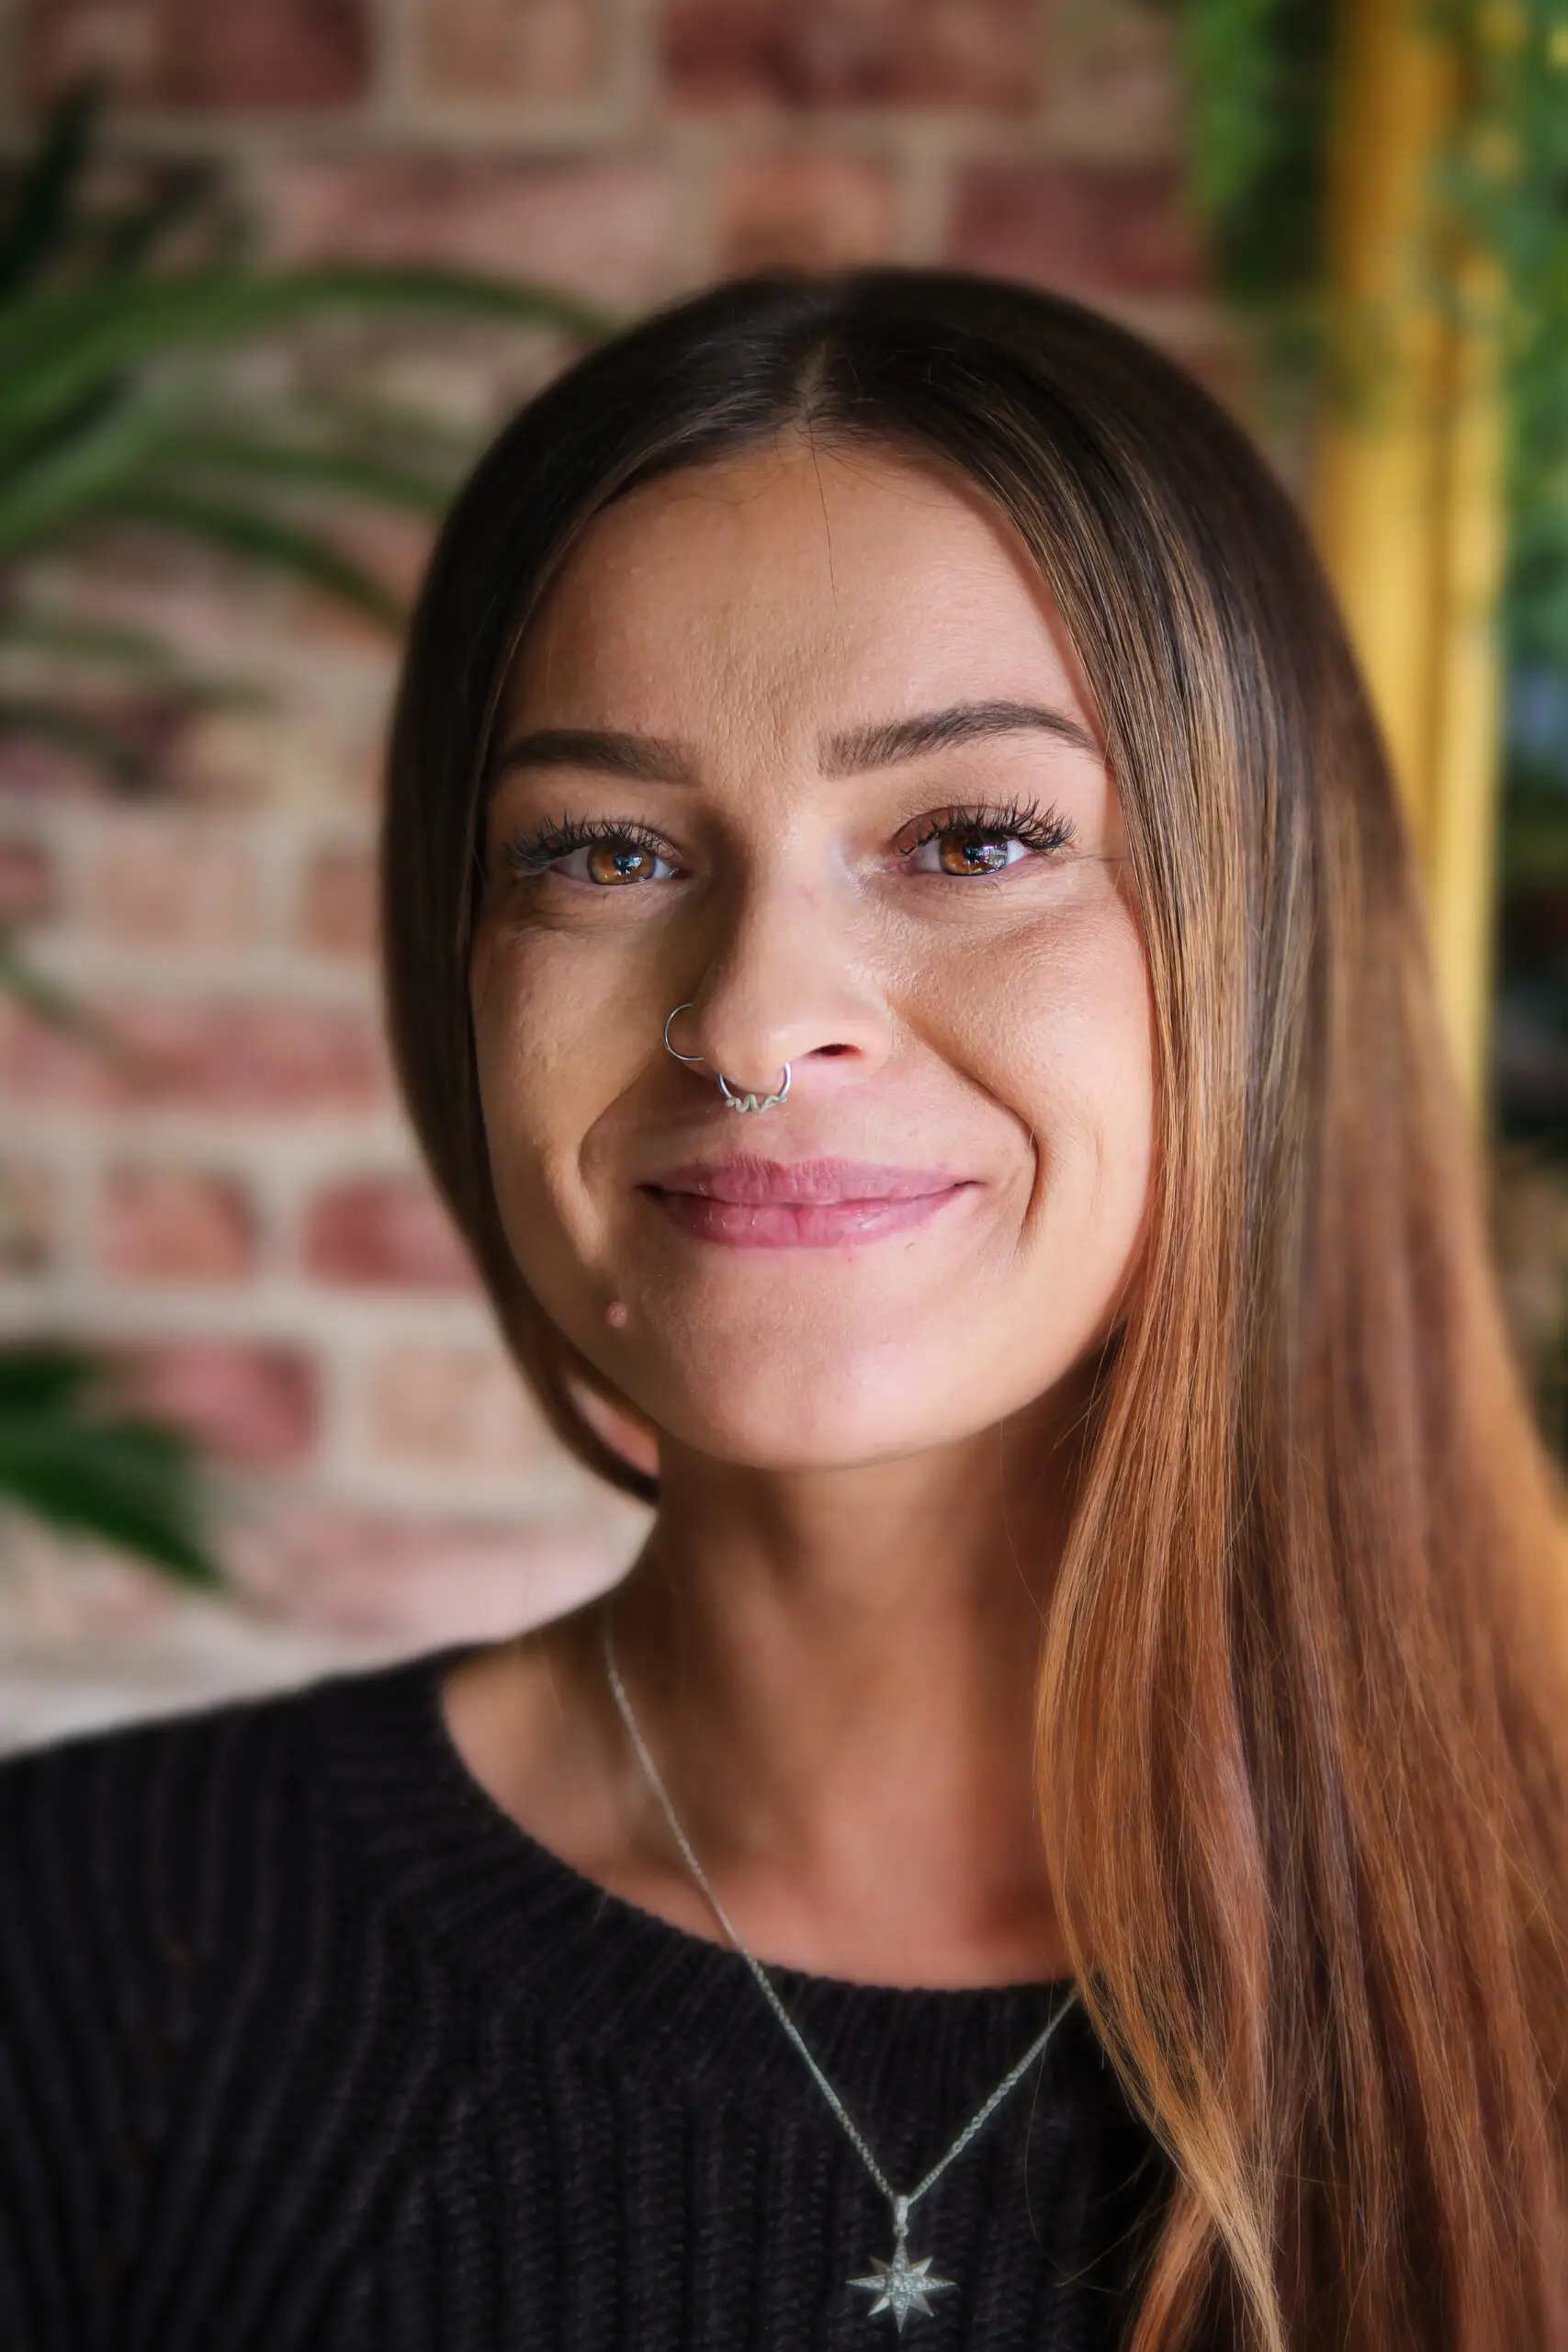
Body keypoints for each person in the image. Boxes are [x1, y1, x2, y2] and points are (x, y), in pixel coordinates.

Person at [4, 266, 1568, 2352]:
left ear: (1261, 927)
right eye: (603, 853)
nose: (749, 1017)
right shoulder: (93, 1940)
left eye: (973, 835)